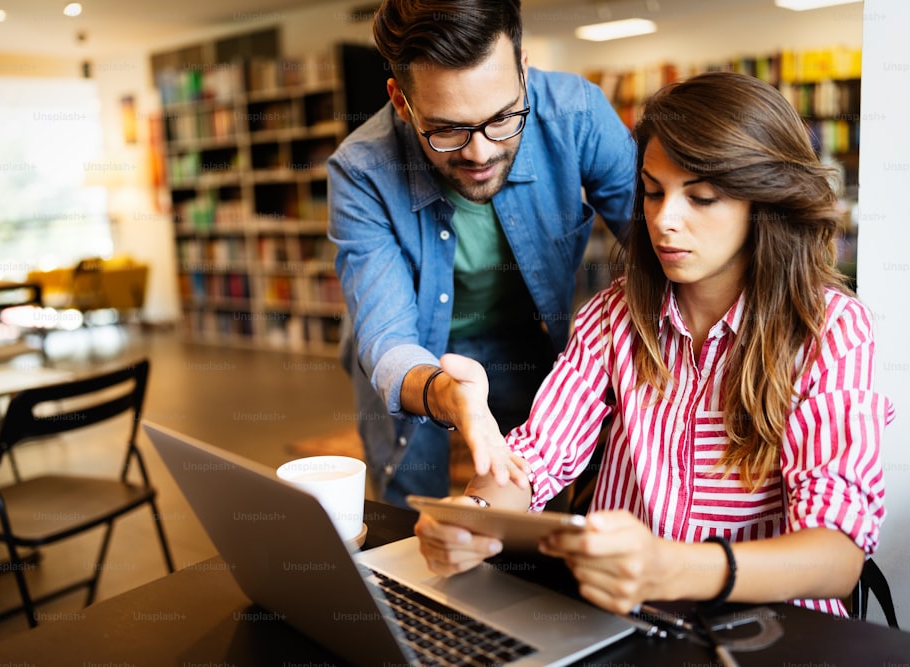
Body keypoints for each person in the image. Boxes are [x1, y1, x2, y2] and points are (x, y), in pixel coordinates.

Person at [414, 71, 894, 617]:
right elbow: (535, 457)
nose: (665, 220)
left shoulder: (829, 329)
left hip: (772, 633)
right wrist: (473, 517)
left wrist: (670, 567)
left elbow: (837, 556)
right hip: (624, 619)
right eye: (652, 191)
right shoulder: (613, 315)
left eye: (703, 197)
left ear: (766, 201)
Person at [327, 0, 636, 507]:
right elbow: (387, 339)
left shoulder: (577, 114)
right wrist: (447, 394)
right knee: (410, 512)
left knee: (532, 494)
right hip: (416, 357)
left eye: (503, 117)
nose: (480, 153)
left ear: (524, 70)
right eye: (447, 129)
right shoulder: (361, 170)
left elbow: (657, 241)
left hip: (524, 339)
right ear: (401, 103)